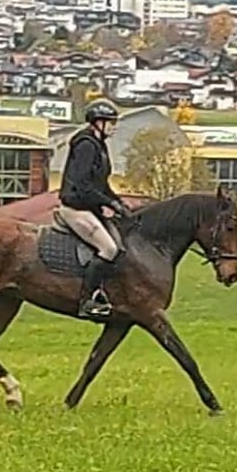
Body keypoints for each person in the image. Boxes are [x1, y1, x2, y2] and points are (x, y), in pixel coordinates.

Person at [58, 98, 132, 319]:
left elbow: (101, 183)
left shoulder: (99, 145)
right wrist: (109, 203)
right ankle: (87, 301)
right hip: (75, 209)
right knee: (108, 249)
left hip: (89, 208)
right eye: (111, 122)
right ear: (98, 122)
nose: (114, 126)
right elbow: (83, 186)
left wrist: (118, 202)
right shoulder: (86, 146)